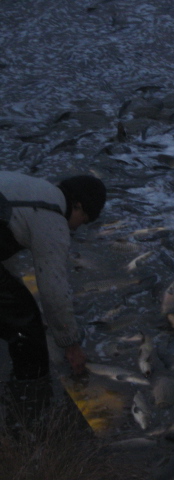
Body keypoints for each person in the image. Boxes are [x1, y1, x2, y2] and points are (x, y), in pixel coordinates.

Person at [0, 171, 106, 420]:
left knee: (16, 305)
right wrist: (70, 344)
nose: (77, 227)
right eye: (84, 219)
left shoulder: (34, 188)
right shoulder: (52, 218)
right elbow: (53, 289)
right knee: (27, 327)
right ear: (77, 205)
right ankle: (30, 404)